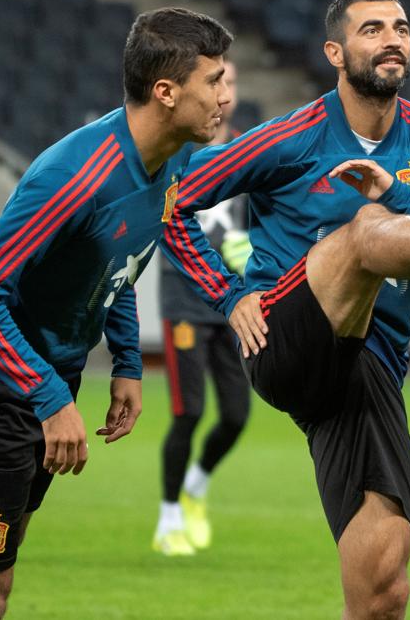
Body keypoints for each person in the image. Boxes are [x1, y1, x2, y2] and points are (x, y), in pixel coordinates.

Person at [0, 8, 303, 620]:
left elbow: (127, 254)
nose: (226, 96)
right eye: (214, 81)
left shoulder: (172, 160)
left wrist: (129, 363)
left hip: (42, 375)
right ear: (166, 92)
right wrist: (51, 399)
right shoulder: (76, 174)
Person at [159, 0, 410, 619]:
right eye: (373, 29)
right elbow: (172, 205)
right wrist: (230, 294)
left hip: (369, 370)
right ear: (336, 51)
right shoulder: (291, 136)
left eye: (402, 28)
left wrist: (400, 194)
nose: (393, 39)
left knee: (385, 583)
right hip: (282, 338)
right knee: (363, 231)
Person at [154, 59, 255, 556]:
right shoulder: (180, 148)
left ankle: (197, 483)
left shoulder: (248, 149)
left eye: (230, 82)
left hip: (232, 302)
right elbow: (169, 219)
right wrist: (224, 242)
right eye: (217, 81)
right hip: (184, 300)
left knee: (237, 414)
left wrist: (250, 251)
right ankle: (168, 517)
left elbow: (255, 217)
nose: (224, 91)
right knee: (187, 412)